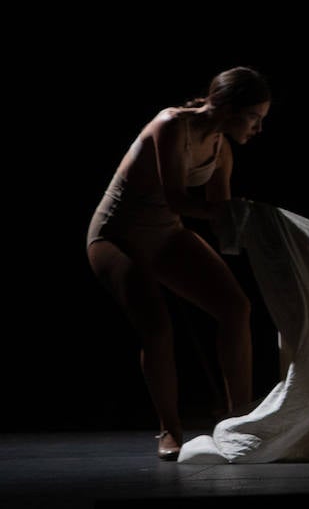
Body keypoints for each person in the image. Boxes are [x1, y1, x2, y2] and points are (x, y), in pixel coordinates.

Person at [87, 66, 272, 461]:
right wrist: (234, 214)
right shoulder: (171, 125)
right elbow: (178, 199)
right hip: (116, 234)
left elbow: (219, 214)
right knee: (156, 326)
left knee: (236, 307)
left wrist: (259, 231)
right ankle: (169, 429)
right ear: (228, 107)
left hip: (164, 234)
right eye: (254, 118)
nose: (258, 129)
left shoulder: (222, 149)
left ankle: (239, 419)